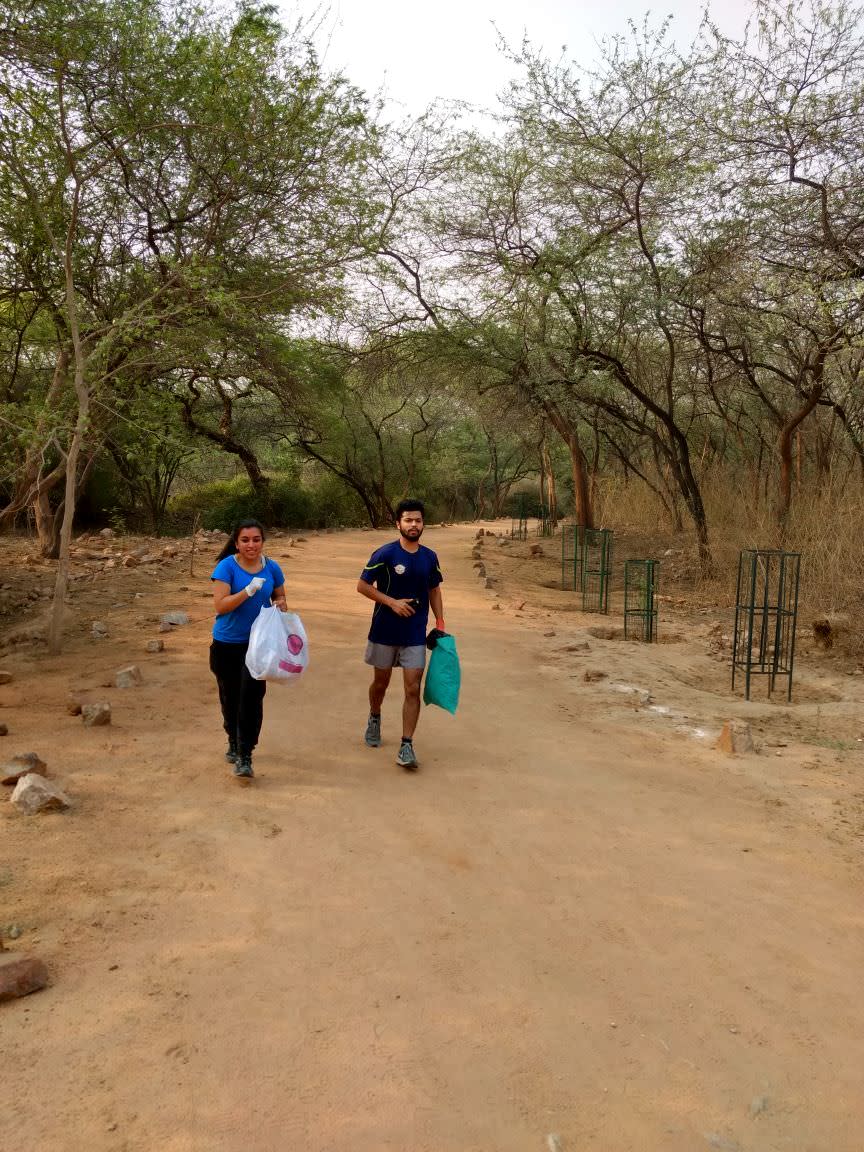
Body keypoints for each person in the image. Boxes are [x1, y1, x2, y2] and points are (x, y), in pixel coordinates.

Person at [357, 499, 445, 771]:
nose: (413, 525)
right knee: (380, 684)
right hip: (384, 629)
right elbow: (362, 586)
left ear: (423, 524)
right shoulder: (385, 554)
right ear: (398, 524)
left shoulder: (429, 557)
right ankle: (375, 716)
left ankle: (406, 744)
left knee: (412, 687)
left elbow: (434, 590)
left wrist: (440, 622)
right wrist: (391, 602)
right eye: (408, 520)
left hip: (415, 633)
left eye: (418, 520)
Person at [210, 519, 287, 779]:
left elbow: (280, 595)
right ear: (236, 543)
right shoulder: (226, 567)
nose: (251, 545)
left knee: (252, 698)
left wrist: (280, 604)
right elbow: (220, 606)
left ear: (263, 541)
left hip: (259, 645)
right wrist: (247, 591)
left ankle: (245, 754)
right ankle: (232, 737)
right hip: (227, 643)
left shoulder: (272, 567)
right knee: (230, 697)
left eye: (256, 539)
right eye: (245, 540)